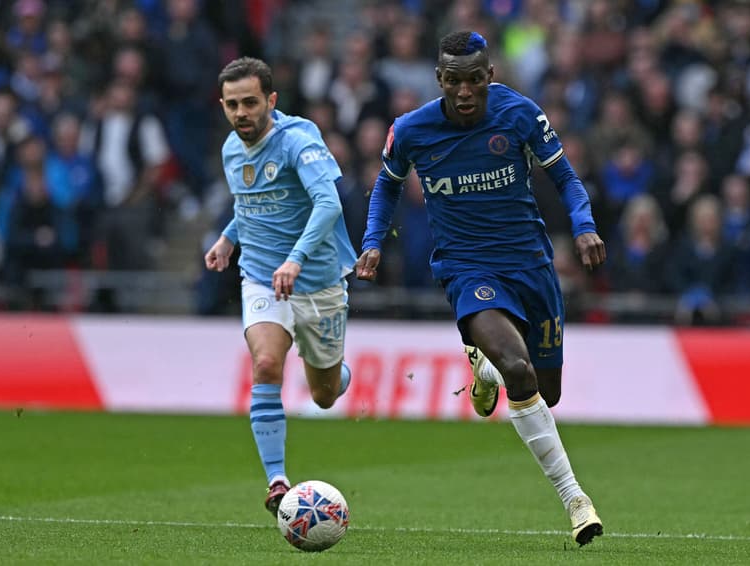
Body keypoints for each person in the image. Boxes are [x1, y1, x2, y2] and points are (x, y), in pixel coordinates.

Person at [356, 31, 606, 546]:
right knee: (521, 371)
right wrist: (373, 241)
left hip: (531, 267)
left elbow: (566, 178)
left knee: (543, 390)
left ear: (489, 76)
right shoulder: (411, 129)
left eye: (474, 80)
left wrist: (583, 225)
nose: (464, 91)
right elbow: (386, 184)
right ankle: (575, 499)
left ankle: (483, 366)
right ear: (439, 80)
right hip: (468, 269)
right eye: (454, 81)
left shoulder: (520, 114)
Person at [204, 56, 357, 518]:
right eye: (232, 105)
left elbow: (327, 203)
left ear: (270, 99)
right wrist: (229, 238)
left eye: (250, 102)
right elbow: (251, 204)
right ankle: (277, 481)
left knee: (324, 395)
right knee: (267, 362)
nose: (241, 113)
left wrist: (296, 258)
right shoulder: (232, 149)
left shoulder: (298, 140)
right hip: (261, 278)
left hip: (316, 281)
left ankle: (340, 373)